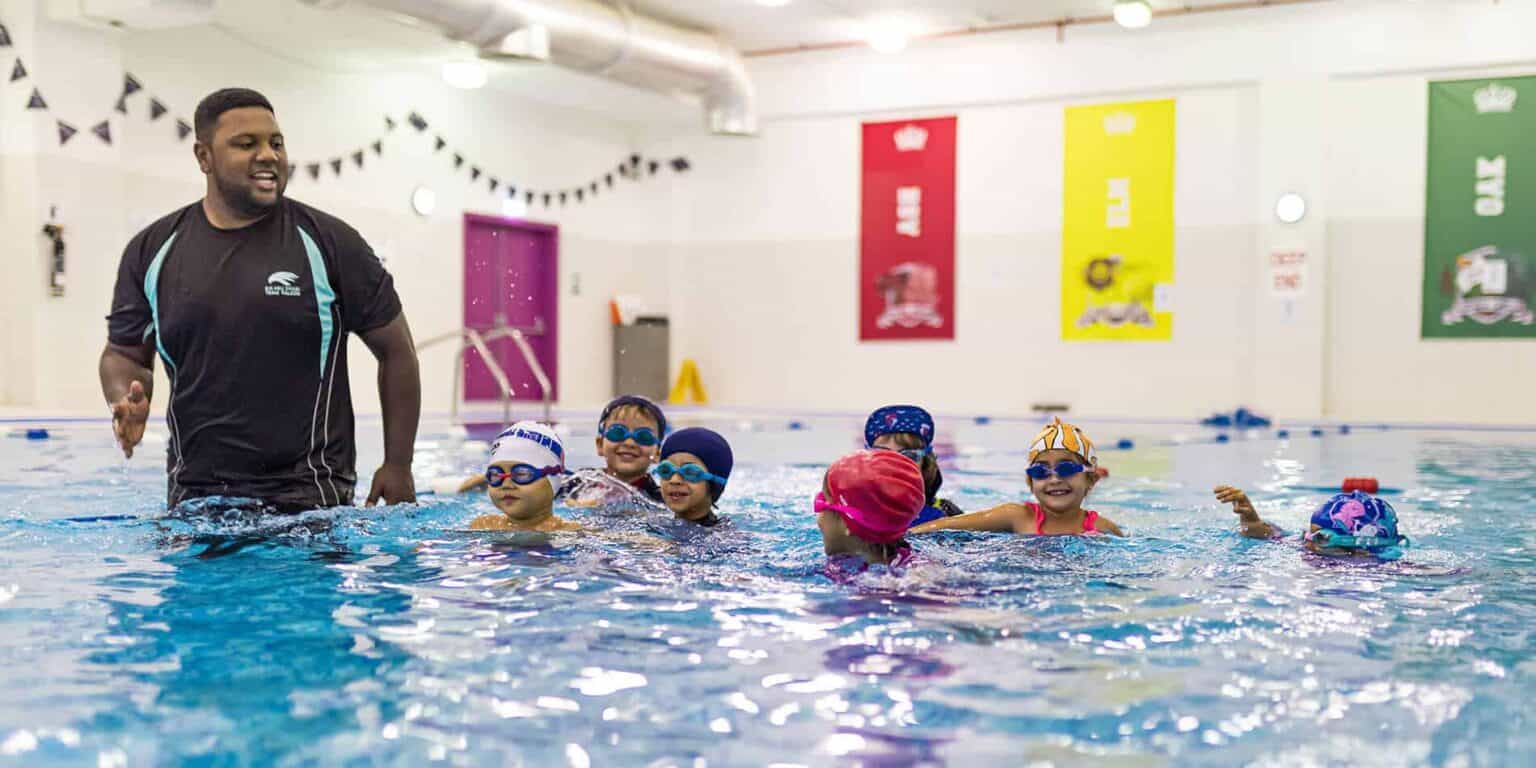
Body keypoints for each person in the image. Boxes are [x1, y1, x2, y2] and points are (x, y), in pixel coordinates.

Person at [100, 87, 420, 512]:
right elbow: (124, 354)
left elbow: (397, 351)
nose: (268, 155)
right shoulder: (154, 250)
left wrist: (398, 464)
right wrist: (125, 397)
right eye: (246, 144)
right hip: (195, 496)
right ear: (204, 157)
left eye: (276, 142)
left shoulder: (329, 243)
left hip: (309, 497)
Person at [910, 417, 1125, 537]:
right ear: (1030, 482)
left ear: (1091, 480)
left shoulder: (1104, 529)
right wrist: (905, 534)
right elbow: (946, 525)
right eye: (1040, 471)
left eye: (1066, 469)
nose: (1054, 479)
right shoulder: (1017, 517)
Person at [451, 395, 667, 507]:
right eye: (618, 433)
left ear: (657, 453)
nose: (629, 442)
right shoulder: (579, 481)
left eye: (643, 437)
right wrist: (487, 480)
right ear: (600, 445)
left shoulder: (658, 498)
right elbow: (534, 485)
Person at [1214, 486, 1410, 560]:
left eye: (1322, 537)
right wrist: (1250, 519)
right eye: (1309, 533)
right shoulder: (1307, 546)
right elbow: (1266, 534)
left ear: (1361, 549)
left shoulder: (1378, 568)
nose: (1307, 542)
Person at [815, 450, 926, 571]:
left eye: (821, 502)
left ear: (847, 522)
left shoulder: (903, 580)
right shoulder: (915, 566)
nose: (818, 517)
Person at [468, 422, 581, 532]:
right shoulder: (483, 526)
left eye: (521, 474)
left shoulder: (570, 532)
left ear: (554, 481)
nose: (506, 484)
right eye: (496, 475)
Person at [863, 405, 963, 526]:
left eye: (909, 455)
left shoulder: (946, 513)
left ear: (925, 463)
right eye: (883, 453)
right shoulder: (853, 508)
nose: (895, 463)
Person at [654, 427, 733, 527]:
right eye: (666, 470)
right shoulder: (654, 525)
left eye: (690, 472)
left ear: (715, 483)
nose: (674, 480)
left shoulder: (723, 537)